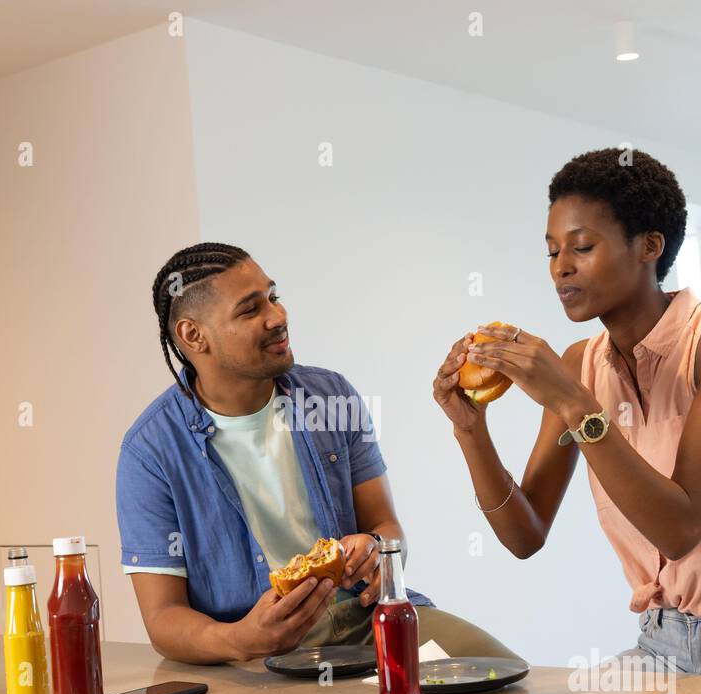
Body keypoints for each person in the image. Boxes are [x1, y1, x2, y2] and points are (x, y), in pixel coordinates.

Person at [432, 148, 701, 682]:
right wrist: (470, 430)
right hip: (661, 646)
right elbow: (525, 535)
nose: (561, 267)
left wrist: (572, 403)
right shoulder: (579, 365)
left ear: (649, 247)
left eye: (582, 247)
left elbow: (680, 528)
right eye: (551, 252)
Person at [118, 242, 518, 664]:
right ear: (193, 335)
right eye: (250, 310)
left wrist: (378, 551)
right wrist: (242, 640)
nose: (278, 316)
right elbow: (163, 619)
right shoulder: (150, 452)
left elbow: (387, 527)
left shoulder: (332, 397)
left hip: (368, 619)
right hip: (254, 658)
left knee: (505, 682)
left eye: (273, 297)